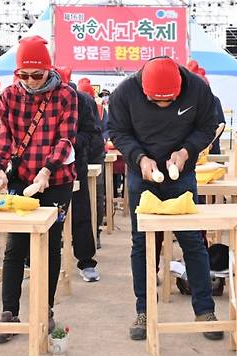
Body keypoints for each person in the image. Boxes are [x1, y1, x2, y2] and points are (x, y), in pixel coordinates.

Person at [108, 56, 222, 341]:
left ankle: (205, 309)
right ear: (143, 90)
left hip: (181, 172)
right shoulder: (124, 93)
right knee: (142, 243)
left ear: (180, 86)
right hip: (141, 174)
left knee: (192, 240)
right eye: (156, 102)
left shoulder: (197, 89)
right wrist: (139, 158)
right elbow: (118, 132)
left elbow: (208, 126)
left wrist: (186, 152)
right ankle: (144, 310)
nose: (163, 106)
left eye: (169, 101)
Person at [0, 36, 77, 343]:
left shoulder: (66, 95)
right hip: (21, 179)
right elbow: (0, 136)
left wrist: (47, 170)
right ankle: (9, 313)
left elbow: (66, 139)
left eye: (36, 75)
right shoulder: (9, 95)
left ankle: (45, 309)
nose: (29, 81)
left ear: (48, 70)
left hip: (56, 179)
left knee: (50, 247)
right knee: (15, 246)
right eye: (22, 75)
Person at [52, 69, 100, 281]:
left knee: (80, 213)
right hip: (40, 167)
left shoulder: (82, 100)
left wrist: (69, 142)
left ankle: (86, 261)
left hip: (73, 166)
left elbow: (92, 133)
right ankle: (31, 259)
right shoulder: (36, 98)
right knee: (41, 216)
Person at [77, 77, 107, 250]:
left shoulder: (98, 108)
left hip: (94, 154)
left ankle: (95, 231)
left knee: (95, 195)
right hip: (77, 155)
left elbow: (102, 129)